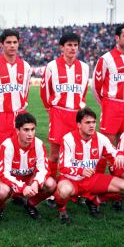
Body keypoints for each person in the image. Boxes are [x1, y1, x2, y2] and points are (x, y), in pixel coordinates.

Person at [54, 108, 124, 223]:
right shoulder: (68, 139)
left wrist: (120, 155)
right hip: (72, 179)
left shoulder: (101, 138)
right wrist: (80, 171)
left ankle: (95, 201)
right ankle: (62, 210)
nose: (92, 126)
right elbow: (63, 167)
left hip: (91, 179)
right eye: (87, 122)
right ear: (79, 124)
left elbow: (114, 152)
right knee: (64, 190)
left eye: (94, 122)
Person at [40, 32, 89, 197]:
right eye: (69, 45)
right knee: (54, 154)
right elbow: (45, 91)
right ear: (62, 47)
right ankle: (52, 189)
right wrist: (51, 108)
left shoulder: (84, 67)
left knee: (77, 154)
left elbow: (84, 92)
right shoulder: (52, 66)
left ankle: (78, 190)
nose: (72, 48)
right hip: (59, 114)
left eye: (75, 45)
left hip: (77, 116)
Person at [0, 113, 56, 221]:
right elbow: (3, 174)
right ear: (17, 130)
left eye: (32, 129)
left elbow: (43, 169)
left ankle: (30, 204)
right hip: (9, 179)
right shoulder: (7, 146)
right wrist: (22, 187)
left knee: (51, 184)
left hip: (28, 178)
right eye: (26, 130)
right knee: (2, 191)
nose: (30, 134)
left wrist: (36, 182)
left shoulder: (39, 144)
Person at [0, 29, 32, 167]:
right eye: (8, 42)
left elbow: (25, 91)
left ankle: (16, 184)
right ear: (1, 44)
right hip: (0, 116)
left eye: (15, 42)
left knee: (20, 153)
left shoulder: (26, 67)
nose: (12, 45)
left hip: (20, 116)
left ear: (19, 43)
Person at [91, 24, 124, 145]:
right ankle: (104, 164)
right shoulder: (106, 59)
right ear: (117, 38)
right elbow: (95, 86)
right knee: (107, 142)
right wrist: (105, 104)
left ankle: (121, 165)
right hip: (111, 105)